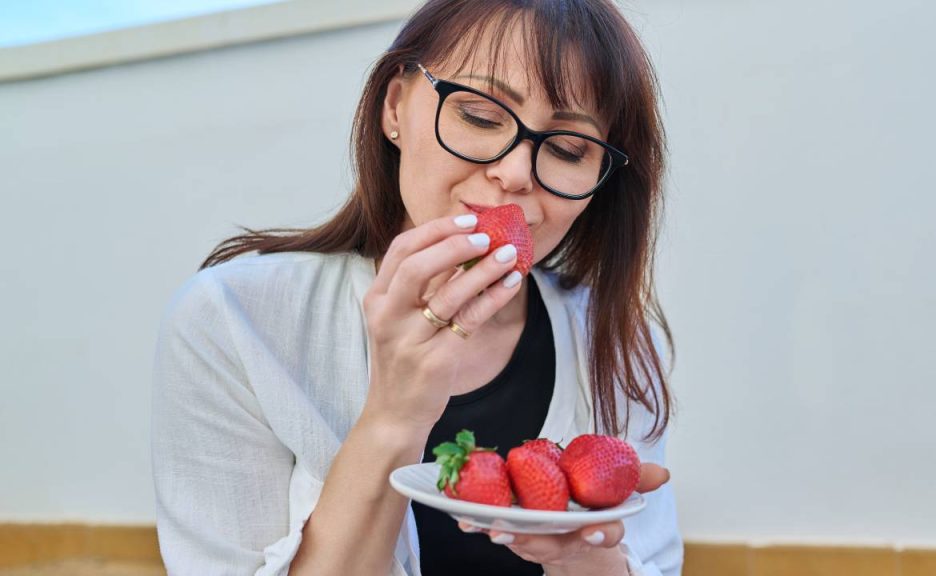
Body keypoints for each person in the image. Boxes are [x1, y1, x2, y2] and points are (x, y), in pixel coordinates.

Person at [151, 0, 681, 574]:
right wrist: (396, 412)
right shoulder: (233, 319)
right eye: (480, 116)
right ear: (396, 107)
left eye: (568, 149)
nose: (516, 174)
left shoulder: (612, 336)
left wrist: (584, 558)